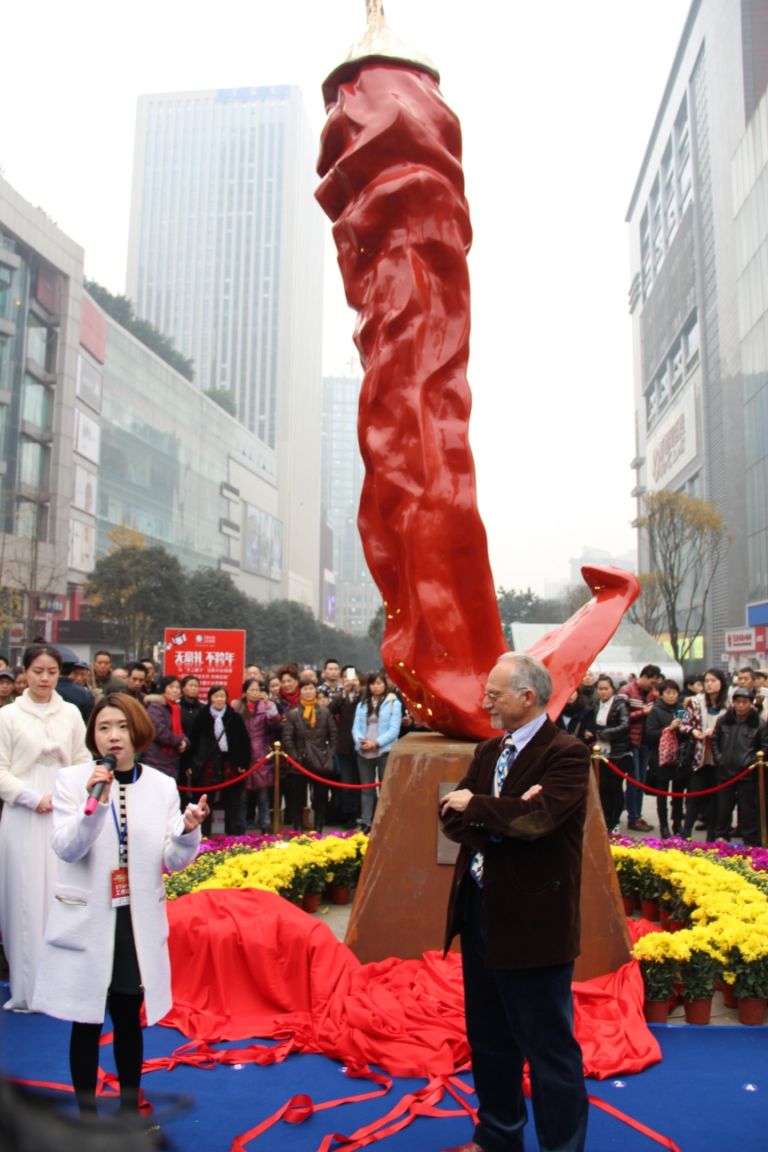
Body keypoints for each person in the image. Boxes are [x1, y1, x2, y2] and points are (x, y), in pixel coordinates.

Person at [31, 693, 208, 1132]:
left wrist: (187, 833)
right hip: (88, 917)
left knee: (129, 1017)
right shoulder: (74, 781)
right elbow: (67, 847)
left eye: (122, 727)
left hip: (134, 918)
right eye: (104, 727)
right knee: (86, 1018)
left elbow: (171, 860)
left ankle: (130, 1111)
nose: (113, 737)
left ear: (139, 733)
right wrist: (98, 804)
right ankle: (87, 1120)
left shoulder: (162, 786)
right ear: (93, 735)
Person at [440, 653, 590, 1152]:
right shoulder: (488, 752)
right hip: (482, 915)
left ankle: (560, 1146)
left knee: (548, 1048)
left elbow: (538, 822)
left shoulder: (566, 754)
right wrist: (505, 815)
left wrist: (486, 811)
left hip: (534, 925)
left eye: (495, 695)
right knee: (489, 1040)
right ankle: (498, 1136)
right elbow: (451, 816)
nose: (485, 703)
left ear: (528, 696)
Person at [0, 643, 90, 1011]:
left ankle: (64, 986)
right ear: (25, 673)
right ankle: (28, 988)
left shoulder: (69, 713)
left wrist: (73, 796)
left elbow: (83, 758)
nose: (44, 678)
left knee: (63, 895)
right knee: (23, 899)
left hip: (63, 812)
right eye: (37, 671)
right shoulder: (8, 715)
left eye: (51, 672)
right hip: (24, 816)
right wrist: (30, 797)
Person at [188, 684, 251, 835]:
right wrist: (191, 764)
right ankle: (203, 836)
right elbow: (193, 742)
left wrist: (243, 763)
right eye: (216, 696)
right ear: (210, 698)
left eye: (222, 696)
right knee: (205, 800)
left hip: (229, 763)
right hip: (207, 764)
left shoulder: (234, 717)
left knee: (232, 800)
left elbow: (244, 742)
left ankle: (232, 836)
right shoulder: (202, 717)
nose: (219, 699)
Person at [282, 679, 337, 833]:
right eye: (305, 689)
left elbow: (333, 735)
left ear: (315, 691)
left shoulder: (325, 712)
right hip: (300, 762)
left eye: (311, 688)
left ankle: (319, 826)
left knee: (320, 796)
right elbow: (287, 738)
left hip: (320, 760)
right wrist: (295, 757)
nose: (308, 691)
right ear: (301, 692)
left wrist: (329, 755)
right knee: (298, 797)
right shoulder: (293, 714)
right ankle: (298, 827)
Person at [679, 668, 729, 840]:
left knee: (716, 800)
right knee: (694, 797)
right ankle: (685, 835)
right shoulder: (694, 701)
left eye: (713, 680)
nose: (709, 684)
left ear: (722, 683)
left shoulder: (729, 703)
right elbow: (682, 722)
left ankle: (711, 838)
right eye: (707, 680)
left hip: (720, 758)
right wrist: (693, 731)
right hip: (699, 757)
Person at [711, 686, 765, 844]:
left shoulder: (758, 724)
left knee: (748, 811)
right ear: (733, 703)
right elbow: (714, 739)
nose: (741, 705)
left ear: (751, 703)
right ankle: (721, 838)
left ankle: (750, 843)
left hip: (747, 775)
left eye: (745, 702)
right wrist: (719, 758)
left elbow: (764, 746)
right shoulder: (723, 720)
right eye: (738, 702)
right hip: (724, 772)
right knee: (723, 810)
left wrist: (752, 762)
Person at [352, 671, 403, 833]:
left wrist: (376, 743)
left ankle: (384, 819)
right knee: (366, 788)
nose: (376, 686)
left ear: (385, 684)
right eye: (373, 684)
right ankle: (366, 821)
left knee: (385, 787)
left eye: (379, 683)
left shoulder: (394, 703)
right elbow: (356, 727)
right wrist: (361, 741)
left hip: (383, 750)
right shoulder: (362, 703)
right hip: (364, 749)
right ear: (368, 686)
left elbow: (394, 730)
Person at [583, 675, 632, 834]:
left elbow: (625, 725)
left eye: (606, 689)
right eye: (601, 689)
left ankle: (615, 820)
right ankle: (605, 818)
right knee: (602, 788)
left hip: (617, 753)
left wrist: (603, 733)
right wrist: (590, 732)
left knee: (615, 787)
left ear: (613, 689)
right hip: (599, 752)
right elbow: (592, 724)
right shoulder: (597, 705)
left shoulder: (620, 704)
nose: (603, 692)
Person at [233, 677, 281, 832]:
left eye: (258, 690)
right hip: (243, 753)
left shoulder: (267, 706)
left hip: (261, 753)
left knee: (263, 794)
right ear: (245, 692)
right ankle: (240, 826)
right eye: (252, 690)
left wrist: (268, 705)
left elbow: (275, 722)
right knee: (242, 795)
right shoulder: (237, 707)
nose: (255, 693)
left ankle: (265, 825)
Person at [619, 664, 662, 832]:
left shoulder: (652, 694)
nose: (652, 686)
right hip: (631, 742)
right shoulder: (627, 691)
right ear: (643, 676)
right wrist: (641, 713)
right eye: (651, 682)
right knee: (634, 781)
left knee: (642, 782)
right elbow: (620, 716)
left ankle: (637, 815)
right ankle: (633, 817)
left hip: (646, 743)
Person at [645, 679, 688, 838]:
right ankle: (663, 825)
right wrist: (669, 729)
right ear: (662, 694)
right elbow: (649, 735)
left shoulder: (682, 710)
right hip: (661, 757)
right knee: (662, 793)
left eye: (674, 693)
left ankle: (677, 823)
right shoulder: (656, 711)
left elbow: (688, 732)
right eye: (668, 693)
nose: (671, 696)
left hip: (679, 757)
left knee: (678, 793)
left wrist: (682, 729)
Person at [142, 675, 188, 783]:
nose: (175, 690)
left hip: (171, 759)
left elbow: (180, 730)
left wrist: (185, 742)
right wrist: (179, 742)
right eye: (171, 687)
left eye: (178, 688)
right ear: (163, 689)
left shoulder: (176, 708)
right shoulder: (155, 707)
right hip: (155, 758)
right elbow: (159, 731)